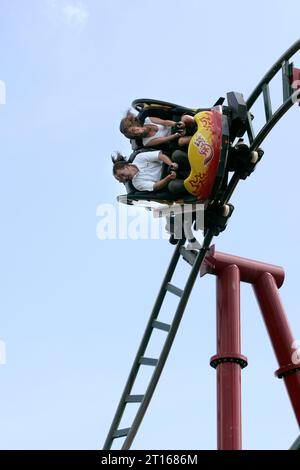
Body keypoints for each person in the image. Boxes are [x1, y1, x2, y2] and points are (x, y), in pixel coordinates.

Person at [112, 149, 190, 195]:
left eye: (122, 175)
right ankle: (193, 184)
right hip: (168, 179)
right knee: (173, 186)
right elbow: (155, 186)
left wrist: (171, 164)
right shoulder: (137, 184)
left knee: (177, 154)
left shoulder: (139, 158)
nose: (125, 178)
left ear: (126, 166)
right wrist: (168, 178)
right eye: (122, 179)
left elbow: (160, 156)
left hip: (169, 165)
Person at [119, 110, 196, 148]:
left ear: (134, 124)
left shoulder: (148, 119)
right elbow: (164, 139)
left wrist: (176, 124)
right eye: (133, 134)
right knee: (182, 141)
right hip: (173, 138)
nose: (135, 132)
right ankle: (199, 138)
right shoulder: (146, 142)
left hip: (174, 125)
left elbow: (164, 122)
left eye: (133, 130)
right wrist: (177, 135)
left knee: (186, 118)